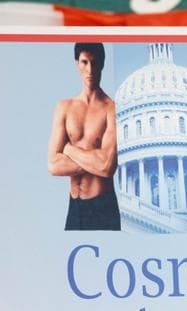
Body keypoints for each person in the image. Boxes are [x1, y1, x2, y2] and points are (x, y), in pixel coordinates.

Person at [48, 42, 120, 231]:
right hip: (75, 206)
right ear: (76, 63)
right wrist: (94, 159)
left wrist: (69, 149)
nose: (89, 70)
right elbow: (53, 165)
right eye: (84, 62)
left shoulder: (112, 109)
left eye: (94, 63)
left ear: (102, 64)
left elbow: (106, 167)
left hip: (103, 207)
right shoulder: (64, 107)